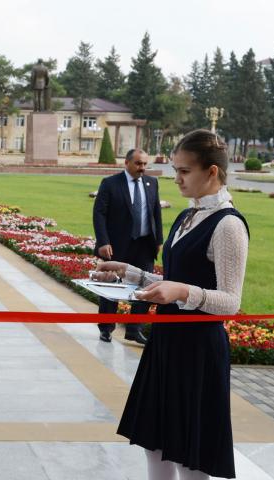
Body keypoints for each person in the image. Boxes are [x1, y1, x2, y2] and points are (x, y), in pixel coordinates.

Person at [95, 129, 248, 479]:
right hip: (167, 343)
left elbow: (231, 302)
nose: (176, 178)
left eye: (184, 171)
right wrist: (130, 273)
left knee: (189, 456)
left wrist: (181, 294)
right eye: (175, 170)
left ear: (212, 172)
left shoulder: (228, 225)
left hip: (198, 351)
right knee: (156, 445)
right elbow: (173, 278)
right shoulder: (186, 216)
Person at [92, 148, 162, 344]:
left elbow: (156, 212)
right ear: (127, 163)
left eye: (144, 164)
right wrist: (103, 241)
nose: (142, 168)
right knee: (110, 285)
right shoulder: (110, 184)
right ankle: (106, 328)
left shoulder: (151, 183)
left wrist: (158, 241)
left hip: (144, 244)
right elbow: (99, 214)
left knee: (146, 286)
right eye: (138, 163)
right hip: (116, 245)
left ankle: (134, 328)